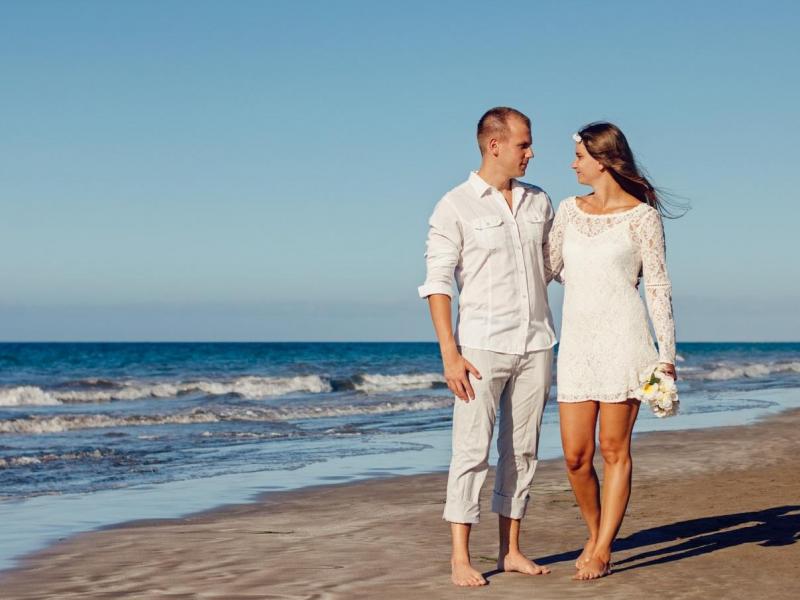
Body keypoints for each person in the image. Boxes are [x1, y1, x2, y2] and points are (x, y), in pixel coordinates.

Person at [418, 107, 556, 587]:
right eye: (524, 144)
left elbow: (556, 265)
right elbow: (438, 284)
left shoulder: (540, 202)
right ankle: (460, 556)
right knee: (471, 451)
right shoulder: (454, 205)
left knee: (523, 451)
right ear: (494, 144)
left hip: (537, 342)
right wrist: (449, 353)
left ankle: (511, 550)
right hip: (479, 347)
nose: (531, 152)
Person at [544, 122, 678, 580]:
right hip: (578, 344)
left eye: (579, 156)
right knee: (576, 457)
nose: (573, 164)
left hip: (626, 340)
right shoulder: (568, 210)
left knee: (613, 448)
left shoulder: (643, 217)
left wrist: (667, 357)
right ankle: (597, 531)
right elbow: (550, 268)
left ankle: (601, 548)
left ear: (602, 160)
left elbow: (657, 286)